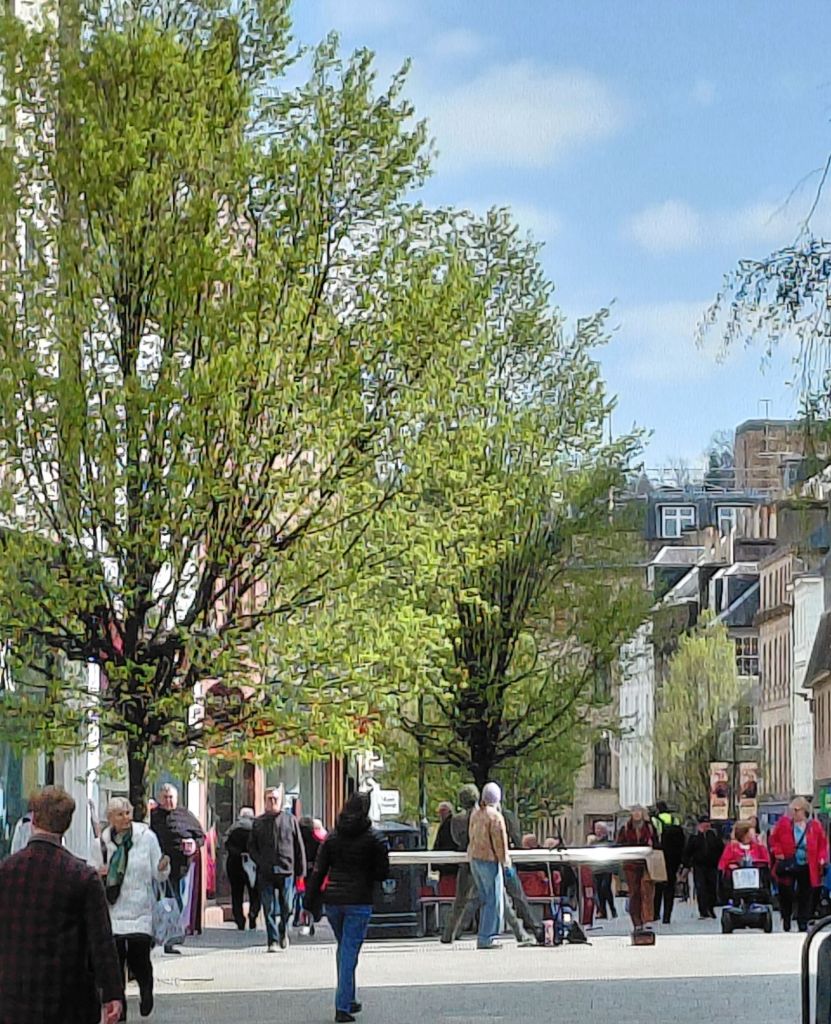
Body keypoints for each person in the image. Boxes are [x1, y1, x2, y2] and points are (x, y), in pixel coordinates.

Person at [0, 786, 124, 1024]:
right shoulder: (82, 876)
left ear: (33, 820)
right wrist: (112, 993)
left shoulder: (6, 872)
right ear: (66, 824)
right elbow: (101, 942)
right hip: (67, 998)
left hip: (13, 996)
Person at [305, 791, 389, 1024]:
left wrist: (309, 901)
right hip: (359, 900)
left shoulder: (333, 837)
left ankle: (349, 997)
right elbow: (383, 872)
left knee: (344, 948)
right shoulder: (375, 838)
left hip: (334, 900)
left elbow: (319, 870)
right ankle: (342, 1006)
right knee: (349, 951)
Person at [101, 797, 170, 1021]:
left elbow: (158, 874)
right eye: (120, 814)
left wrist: (163, 867)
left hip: (141, 908)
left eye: (128, 813)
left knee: (138, 958)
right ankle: (120, 1008)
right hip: (114, 909)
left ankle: (146, 990)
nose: (126, 818)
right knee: (116, 963)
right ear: (110, 818)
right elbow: (92, 873)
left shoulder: (146, 838)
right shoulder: (101, 843)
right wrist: (100, 872)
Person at [149, 784, 205, 953]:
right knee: (159, 901)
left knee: (177, 902)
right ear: (160, 799)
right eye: (165, 798)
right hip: (158, 865)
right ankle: (157, 936)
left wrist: (193, 844)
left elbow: (201, 836)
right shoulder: (153, 816)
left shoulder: (185, 815)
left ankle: (170, 939)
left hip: (180, 866)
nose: (168, 801)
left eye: (171, 797)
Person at [250, 785, 306, 951]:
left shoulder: (290, 820)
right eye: (269, 799)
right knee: (268, 907)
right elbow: (251, 846)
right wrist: (260, 861)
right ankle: (272, 940)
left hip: (286, 870)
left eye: (275, 799)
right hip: (266, 871)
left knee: (287, 906)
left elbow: (299, 846)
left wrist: (301, 871)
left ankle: (283, 930)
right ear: (264, 801)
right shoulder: (258, 822)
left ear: (280, 801)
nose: (273, 801)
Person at [770, 796, 829, 933]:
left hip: (808, 864)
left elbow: (822, 844)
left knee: (805, 894)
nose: (794, 813)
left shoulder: (814, 826)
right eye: (792, 810)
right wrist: (778, 852)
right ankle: (786, 917)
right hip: (789, 863)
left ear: (804, 811)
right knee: (786, 892)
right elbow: (774, 840)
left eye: (796, 810)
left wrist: (822, 858)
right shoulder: (784, 823)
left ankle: (803, 922)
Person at [467, 782, 510, 950]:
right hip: (489, 860)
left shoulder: (476, 814)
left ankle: (484, 935)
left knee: (485, 899)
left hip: (474, 859)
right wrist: (505, 862)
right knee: (494, 900)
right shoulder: (495, 817)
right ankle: (487, 937)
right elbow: (500, 842)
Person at [441, 784, 480, 943]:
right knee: (495, 897)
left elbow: (456, 839)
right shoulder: (484, 816)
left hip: (465, 860)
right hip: (482, 860)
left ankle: (449, 933)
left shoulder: (457, 820)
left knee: (460, 900)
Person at [616, 805, 656, 931]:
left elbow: (656, 843)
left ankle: (647, 919)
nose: (637, 814)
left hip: (646, 863)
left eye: (639, 811)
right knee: (634, 893)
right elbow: (619, 844)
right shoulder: (625, 828)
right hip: (631, 864)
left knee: (647, 891)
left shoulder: (649, 827)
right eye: (634, 811)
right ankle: (636, 921)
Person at [224, 807, 260, 931]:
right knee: (254, 892)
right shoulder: (255, 830)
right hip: (252, 865)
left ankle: (239, 920)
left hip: (234, 864)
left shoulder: (232, 829)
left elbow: (226, 845)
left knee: (236, 893)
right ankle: (253, 915)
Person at [683, 814, 724, 920]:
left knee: (712, 888)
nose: (706, 826)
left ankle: (711, 908)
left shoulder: (713, 835)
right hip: (699, 866)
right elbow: (688, 851)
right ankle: (703, 911)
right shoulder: (695, 837)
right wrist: (687, 865)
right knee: (701, 888)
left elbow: (720, 848)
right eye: (704, 824)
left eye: (707, 824)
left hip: (712, 865)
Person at [653, 802, 686, 925]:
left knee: (658, 887)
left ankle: (656, 913)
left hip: (660, 856)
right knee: (670, 887)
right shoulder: (675, 820)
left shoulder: (654, 820)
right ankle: (667, 916)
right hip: (674, 858)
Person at [294, 817, 327, 934]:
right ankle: (311, 918)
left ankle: (304, 919)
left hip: (301, 872)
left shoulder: (297, 839)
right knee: (312, 897)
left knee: (301, 896)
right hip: (315, 872)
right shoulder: (318, 838)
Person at [592, 822, 617, 920]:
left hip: (607, 868)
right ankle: (602, 911)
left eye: (600, 828)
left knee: (605, 887)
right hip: (596, 868)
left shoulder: (609, 842)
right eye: (596, 828)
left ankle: (612, 908)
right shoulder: (593, 842)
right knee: (599, 890)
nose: (597, 831)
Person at [432, 801, 458, 883]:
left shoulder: (448, 825)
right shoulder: (446, 825)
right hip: (447, 865)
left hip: (448, 866)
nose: (441, 814)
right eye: (439, 811)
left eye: (443, 811)